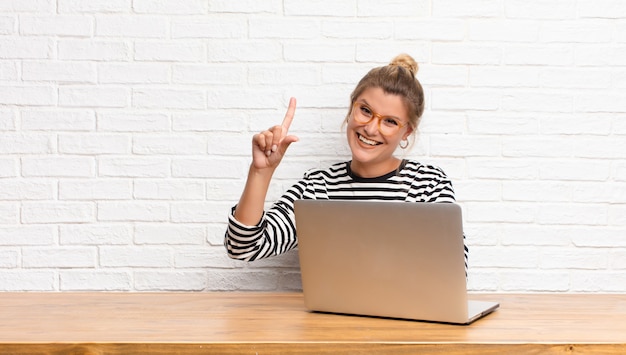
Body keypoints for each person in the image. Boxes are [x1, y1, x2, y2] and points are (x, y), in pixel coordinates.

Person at [225, 54, 468, 268]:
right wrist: (261, 173)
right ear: (351, 109)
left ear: (407, 132)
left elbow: (452, 272)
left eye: (390, 121)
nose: (371, 128)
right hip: (330, 320)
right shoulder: (318, 186)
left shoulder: (428, 185)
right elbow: (243, 248)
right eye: (365, 110)